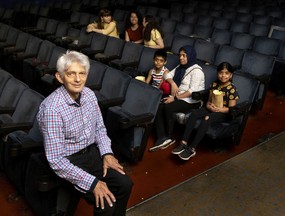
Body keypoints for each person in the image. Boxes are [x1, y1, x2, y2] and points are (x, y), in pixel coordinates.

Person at [37, 50, 133, 215]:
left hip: (92, 154)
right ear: (60, 77)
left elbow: (100, 129)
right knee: (106, 203)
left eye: (82, 73)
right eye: (71, 74)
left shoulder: (89, 95)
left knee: (125, 184)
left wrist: (107, 153)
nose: (77, 79)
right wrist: (93, 183)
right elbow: (56, 160)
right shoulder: (52, 109)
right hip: (70, 161)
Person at [172, 62, 240, 160]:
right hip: (211, 108)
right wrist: (209, 106)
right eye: (221, 73)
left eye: (226, 73)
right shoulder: (214, 84)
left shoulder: (232, 89)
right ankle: (183, 142)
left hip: (223, 113)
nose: (223, 76)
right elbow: (209, 100)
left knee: (207, 118)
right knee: (194, 113)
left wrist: (219, 109)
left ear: (230, 75)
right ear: (217, 73)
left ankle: (192, 148)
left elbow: (231, 109)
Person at [149, 45, 205, 151]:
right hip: (180, 96)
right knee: (160, 105)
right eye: (180, 55)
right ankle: (162, 137)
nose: (181, 58)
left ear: (191, 56)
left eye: (184, 56)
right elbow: (167, 76)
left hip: (192, 100)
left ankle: (169, 136)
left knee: (168, 107)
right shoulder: (180, 67)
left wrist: (174, 98)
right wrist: (173, 83)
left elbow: (192, 91)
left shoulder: (197, 71)